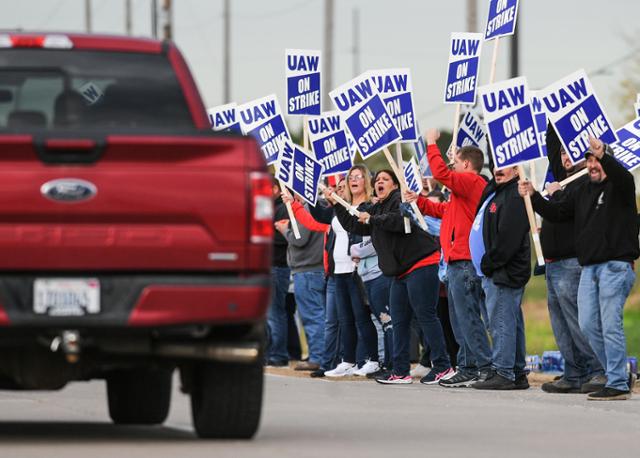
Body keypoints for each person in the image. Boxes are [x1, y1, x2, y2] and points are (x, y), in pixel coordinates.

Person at [520, 136, 640, 400]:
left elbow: (621, 175)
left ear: (607, 161)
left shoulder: (620, 186)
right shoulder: (584, 189)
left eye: (597, 159)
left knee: (610, 325)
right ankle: (616, 372)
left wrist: (603, 153)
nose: (593, 164)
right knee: (587, 325)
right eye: (589, 160)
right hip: (589, 269)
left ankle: (618, 382)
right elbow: (558, 212)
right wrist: (534, 196)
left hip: (615, 267)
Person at [332, 170, 452, 385]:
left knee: (426, 316)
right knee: (399, 320)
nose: (379, 182)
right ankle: (400, 371)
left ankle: (443, 367)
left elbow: (399, 221)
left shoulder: (401, 200)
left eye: (385, 180)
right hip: (400, 272)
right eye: (377, 180)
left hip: (421, 264)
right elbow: (354, 224)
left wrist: (373, 218)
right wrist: (337, 203)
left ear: (395, 185)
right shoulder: (377, 207)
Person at [405, 129, 491, 388]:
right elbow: (442, 209)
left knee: (468, 317)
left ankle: (483, 366)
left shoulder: (473, 182)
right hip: (455, 262)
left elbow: (441, 173)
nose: (452, 165)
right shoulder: (461, 192)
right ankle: (466, 366)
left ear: (467, 164)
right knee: (458, 320)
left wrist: (431, 143)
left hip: (464, 261)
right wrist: (418, 201)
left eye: (456, 162)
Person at [536, 125, 605, 394]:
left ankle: (597, 370)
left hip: (572, 262)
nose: (565, 158)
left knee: (579, 321)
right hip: (553, 264)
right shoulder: (560, 179)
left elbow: (562, 212)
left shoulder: (584, 183)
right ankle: (574, 372)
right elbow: (552, 148)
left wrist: (549, 195)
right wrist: (554, 122)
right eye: (563, 153)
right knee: (560, 323)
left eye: (571, 153)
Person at [306, 167, 381, 377]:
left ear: (366, 181)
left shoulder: (368, 207)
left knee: (361, 317)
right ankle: (347, 360)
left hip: (357, 270)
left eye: (358, 177)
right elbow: (320, 216)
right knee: (344, 318)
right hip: (338, 269)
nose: (353, 180)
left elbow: (361, 232)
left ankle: (372, 359)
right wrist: (309, 195)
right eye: (351, 177)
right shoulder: (341, 206)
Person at [470, 165, 531, 390]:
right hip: (495, 271)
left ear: (517, 170)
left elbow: (509, 238)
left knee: (502, 322)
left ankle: (504, 372)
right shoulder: (498, 191)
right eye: (496, 164)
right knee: (510, 321)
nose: (498, 169)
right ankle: (515, 372)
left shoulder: (514, 195)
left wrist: (489, 262)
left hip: (503, 271)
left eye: (506, 165)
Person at [275, 195, 326, 372]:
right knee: (318, 314)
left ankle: (318, 358)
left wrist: (284, 229)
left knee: (312, 316)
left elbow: (299, 239)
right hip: (314, 268)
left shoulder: (307, 209)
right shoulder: (317, 206)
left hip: (308, 269)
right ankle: (320, 355)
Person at [265, 182, 292, 366]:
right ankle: (271, 351)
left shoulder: (282, 208)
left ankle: (278, 354)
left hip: (278, 266)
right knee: (269, 314)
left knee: (276, 313)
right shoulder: (268, 208)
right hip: (269, 267)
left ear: (275, 188)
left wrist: (262, 235)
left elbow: (286, 238)